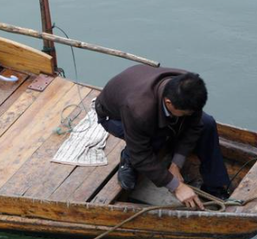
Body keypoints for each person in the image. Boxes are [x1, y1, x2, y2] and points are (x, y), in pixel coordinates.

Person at [94, 65, 231, 209]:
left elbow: (194, 125)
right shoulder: (139, 111)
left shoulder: (190, 87)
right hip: (114, 118)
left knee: (207, 123)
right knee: (154, 138)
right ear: (168, 103)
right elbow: (141, 156)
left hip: (143, 95)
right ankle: (127, 159)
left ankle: (215, 187)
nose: (190, 115)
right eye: (186, 113)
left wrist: (176, 164)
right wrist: (176, 186)